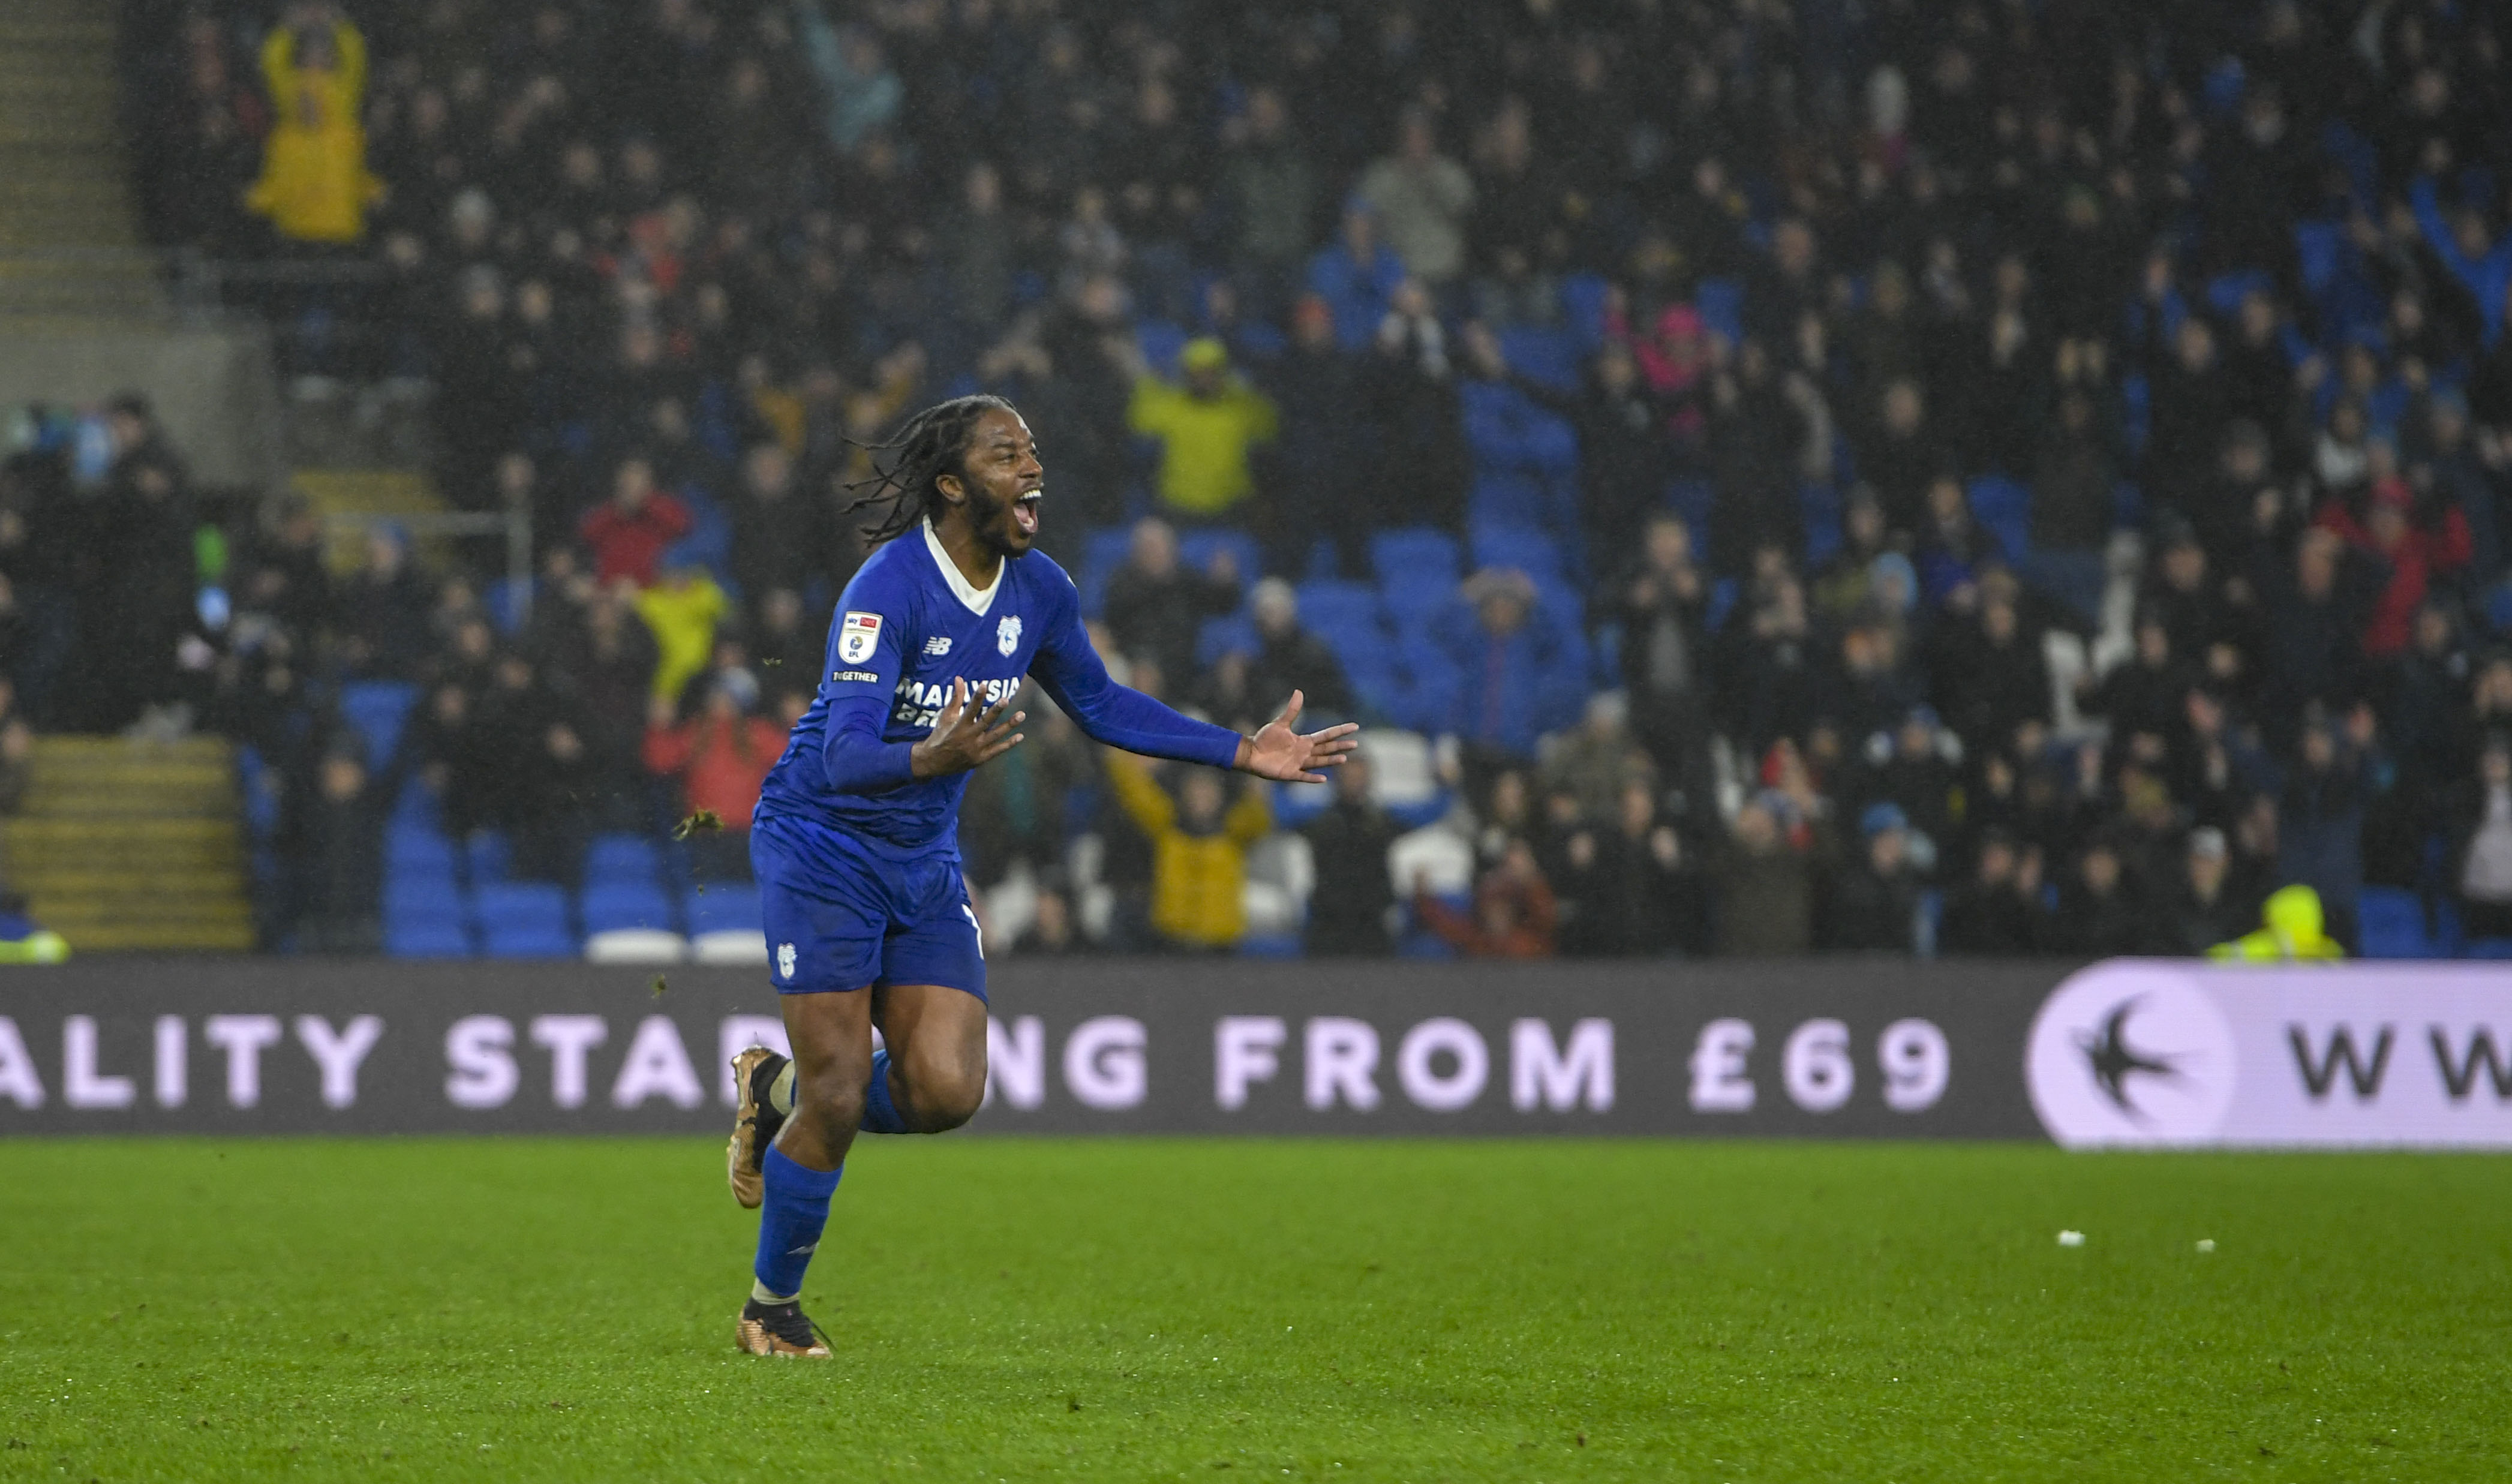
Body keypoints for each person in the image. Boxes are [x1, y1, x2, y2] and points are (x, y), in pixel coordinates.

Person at [720, 396, 1354, 1357]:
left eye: (1034, 452)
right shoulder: (886, 590)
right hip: (823, 847)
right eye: (1006, 454)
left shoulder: (1039, 589)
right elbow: (846, 756)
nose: (1031, 469)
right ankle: (771, 1307)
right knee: (843, 1090)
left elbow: (1098, 704)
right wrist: (929, 759)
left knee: (946, 1091)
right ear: (951, 484)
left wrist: (1238, 750)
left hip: (923, 858)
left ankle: (772, 1099)